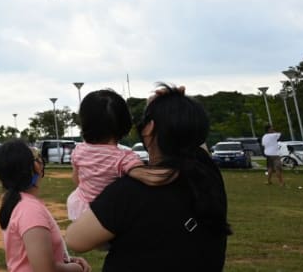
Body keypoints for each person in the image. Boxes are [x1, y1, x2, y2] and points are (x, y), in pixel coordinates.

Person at [66, 85, 231, 271]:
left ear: (149, 128)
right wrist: (180, 109)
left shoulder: (130, 191)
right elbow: (196, 141)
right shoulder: (207, 176)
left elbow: (75, 240)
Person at [0, 140, 91, 272]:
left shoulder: (18, 203)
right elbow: (44, 269)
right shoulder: (30, 210)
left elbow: (34, 257)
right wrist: (76, 269)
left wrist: (66, 261)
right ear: (35, 167)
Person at [67, 89, 143, 220]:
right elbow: (144, 176)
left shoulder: (79, 150)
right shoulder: (124, 158)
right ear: (124, 123)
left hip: (82, 209)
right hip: (110, 214)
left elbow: (76, 179)